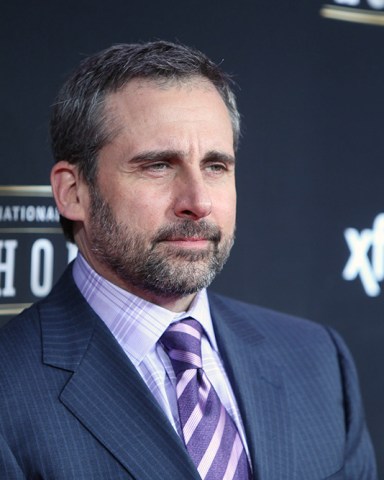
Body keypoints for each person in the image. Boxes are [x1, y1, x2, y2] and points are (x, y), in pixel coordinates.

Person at [0, 41, 377, 479]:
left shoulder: (316, 360)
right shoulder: (9, 391)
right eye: (158, 166)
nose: (198, 202)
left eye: (216, 166)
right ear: (73, 192)